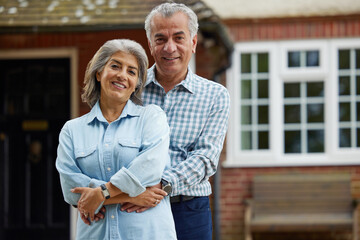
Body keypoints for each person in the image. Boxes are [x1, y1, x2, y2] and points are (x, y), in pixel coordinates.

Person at [121, 3, 231, 240]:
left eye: (178, 38)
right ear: (150, 45)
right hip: (133, 204)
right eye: (160, 39)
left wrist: (160, 186)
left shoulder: (216, 95)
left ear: (193, 42)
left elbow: (206, 158)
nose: (170, 48)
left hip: (188, 210)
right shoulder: (130, 89)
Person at [55, 39, 177, 240]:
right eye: (115, 66)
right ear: (99, 72)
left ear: (136, 84)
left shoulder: (152, 118)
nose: (122, 75)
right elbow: (72, 192)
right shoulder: (72, 130)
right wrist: (135, 194)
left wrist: (101, 194)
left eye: (132, 71)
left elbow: (151, 169)